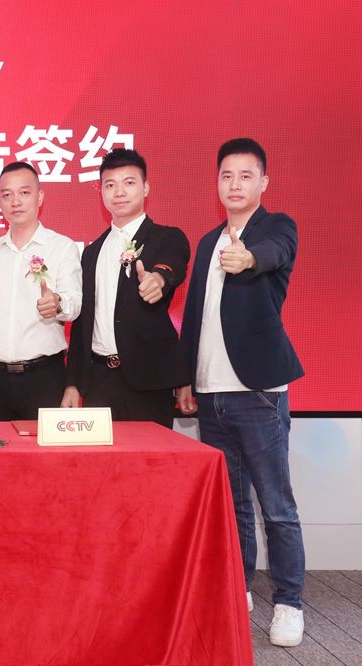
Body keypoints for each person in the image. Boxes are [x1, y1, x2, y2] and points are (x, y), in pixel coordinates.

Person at [177, 138, 306, 647]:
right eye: (226, 176)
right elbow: (193, 316)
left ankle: (290, 603)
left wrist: (248, 257)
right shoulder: (208, 241)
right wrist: (186, 378)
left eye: (245, 176)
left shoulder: (276, 228)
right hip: (211, 394)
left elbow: (274, 254)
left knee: (276, 505)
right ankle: (240, 588)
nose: (234, 184)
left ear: (263, 182)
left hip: (258, 393)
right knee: (232, 506)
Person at [61, 149, 190, 427]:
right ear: (101, 192)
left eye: (129, 183)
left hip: (149, 381)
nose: (119, 192)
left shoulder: (166, 237)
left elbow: (171, 265)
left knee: (150, 455)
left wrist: (159, 279)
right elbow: (82, 325)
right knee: (102, 456)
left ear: (146, 188)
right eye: (110, 185)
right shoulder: (92, 252)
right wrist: (73, 383)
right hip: (98, 382)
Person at [0, 161, 82, 420]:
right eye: (7, 195)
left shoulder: (62, 247)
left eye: (24, 193)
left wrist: (58, 303)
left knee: (44, 448)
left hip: (45, 378)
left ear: (40, 197)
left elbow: (74, 302)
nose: (15, 201)